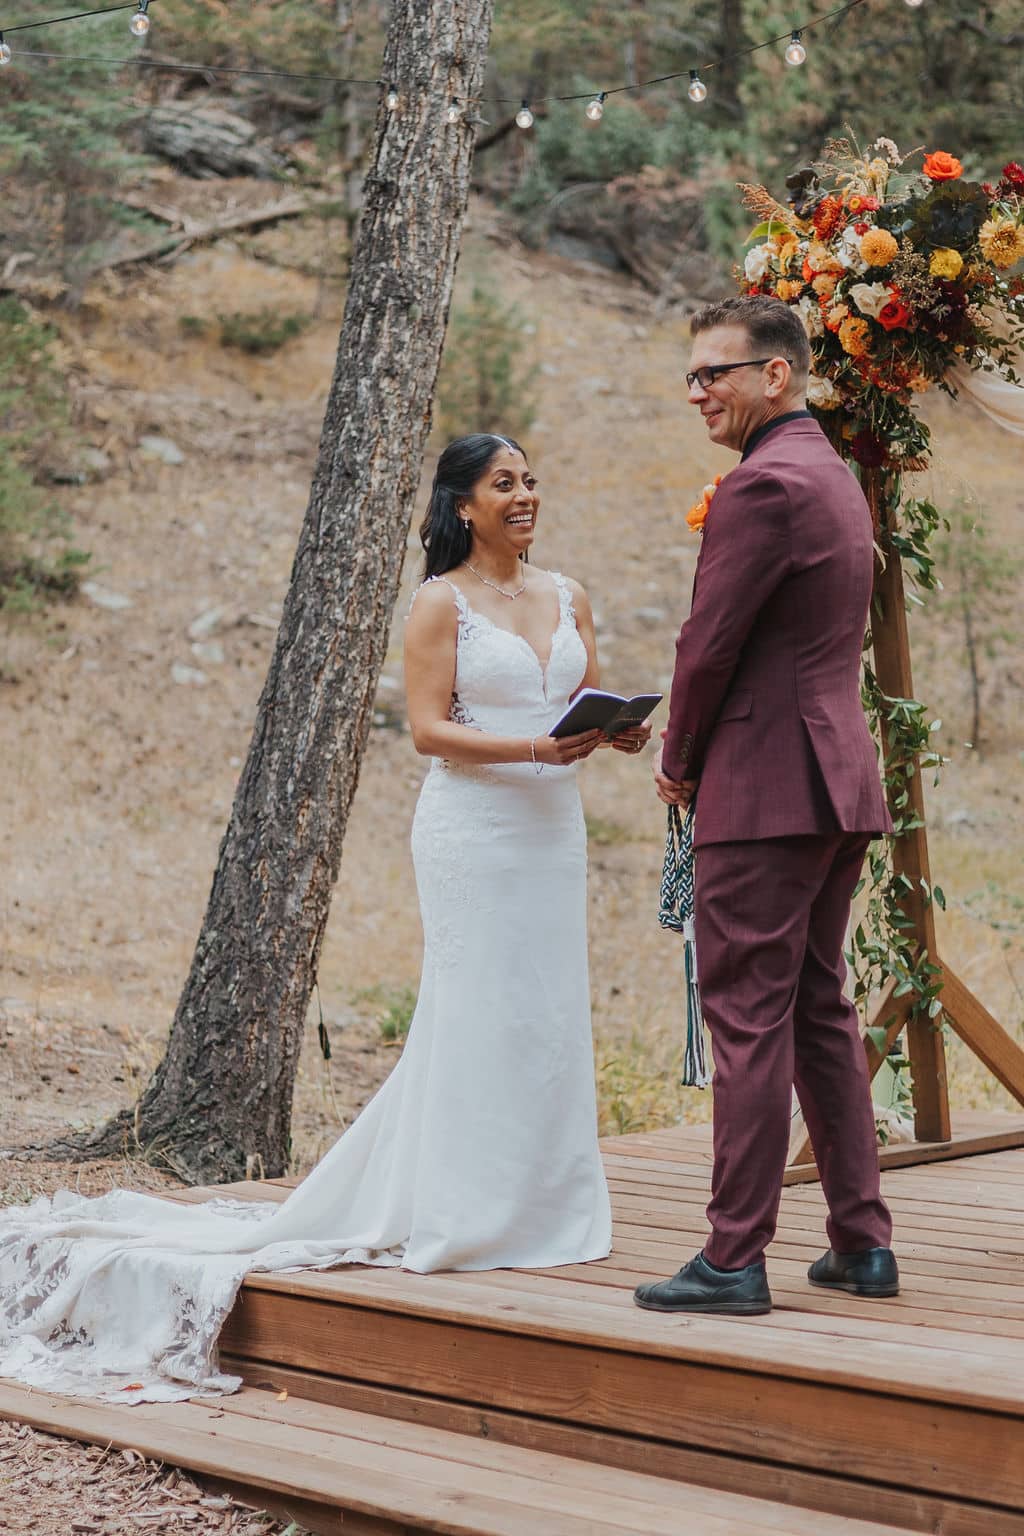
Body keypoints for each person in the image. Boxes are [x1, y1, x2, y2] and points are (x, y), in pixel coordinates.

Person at [0, 432, 649, 1403]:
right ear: (462, 505)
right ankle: (465, 1211)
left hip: (551, 833)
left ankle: (548, 1206)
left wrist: (618, 730)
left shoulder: (568, 594)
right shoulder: (441, 602)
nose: (525, 496)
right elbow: (429, 728)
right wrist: (531, 748)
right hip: (475, 829)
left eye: (530, 481)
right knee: (475, 1010)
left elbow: (580, 702)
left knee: (545, 1014)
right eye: (502, 484)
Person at [633, 296, 897, 1318]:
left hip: (765, 782)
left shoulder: (761, 487)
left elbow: (707, 645)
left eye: (715, 373)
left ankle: (732, 1258)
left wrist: (680, 761)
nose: (697, 391)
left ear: (775, 375)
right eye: (691, 376)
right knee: (818, 1009)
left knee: (744, 1014)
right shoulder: (832, 477)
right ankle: (860, 1242)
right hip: (836, 778)